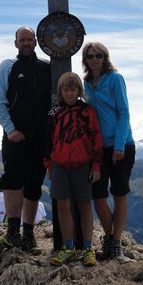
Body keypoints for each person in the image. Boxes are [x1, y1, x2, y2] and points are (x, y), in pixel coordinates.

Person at [0, 26, 51, 253]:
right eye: (22, 40)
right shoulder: (8, 66)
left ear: (35, 42)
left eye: (29, 39)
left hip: (41, 138)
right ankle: (13, 232)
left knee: (34, 185)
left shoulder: (47, 67)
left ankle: (28, 234)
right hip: (15, 136)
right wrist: (10, 129)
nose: (26, 43)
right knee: (12, 181)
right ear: (15, 43)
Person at [82, 41, 135, 263]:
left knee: (120, 194)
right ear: (85, 60)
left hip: (121, 145)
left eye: (99, 56)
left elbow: (124, 113)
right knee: (98, 196)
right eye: (90, 56)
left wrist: (119, 145)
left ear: (105, 58)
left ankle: (116, 243)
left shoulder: (115, 78)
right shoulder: (86, 83)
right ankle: (111, 238)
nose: (94, 59)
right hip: (98, 148)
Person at [45, 72, 103, 267]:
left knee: (84, 205)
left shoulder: (87, 111)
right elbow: (47, 141)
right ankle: (67, 247)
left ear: (79, 91)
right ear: (60, 91)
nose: (70, 93)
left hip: (82, 164)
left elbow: (96, 138)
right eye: (66, 90)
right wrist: (48, 164)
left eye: (73, 89)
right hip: (59, 164)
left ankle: (88, 249)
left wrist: (96, 165)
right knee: (62, 204)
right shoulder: (53, 113)